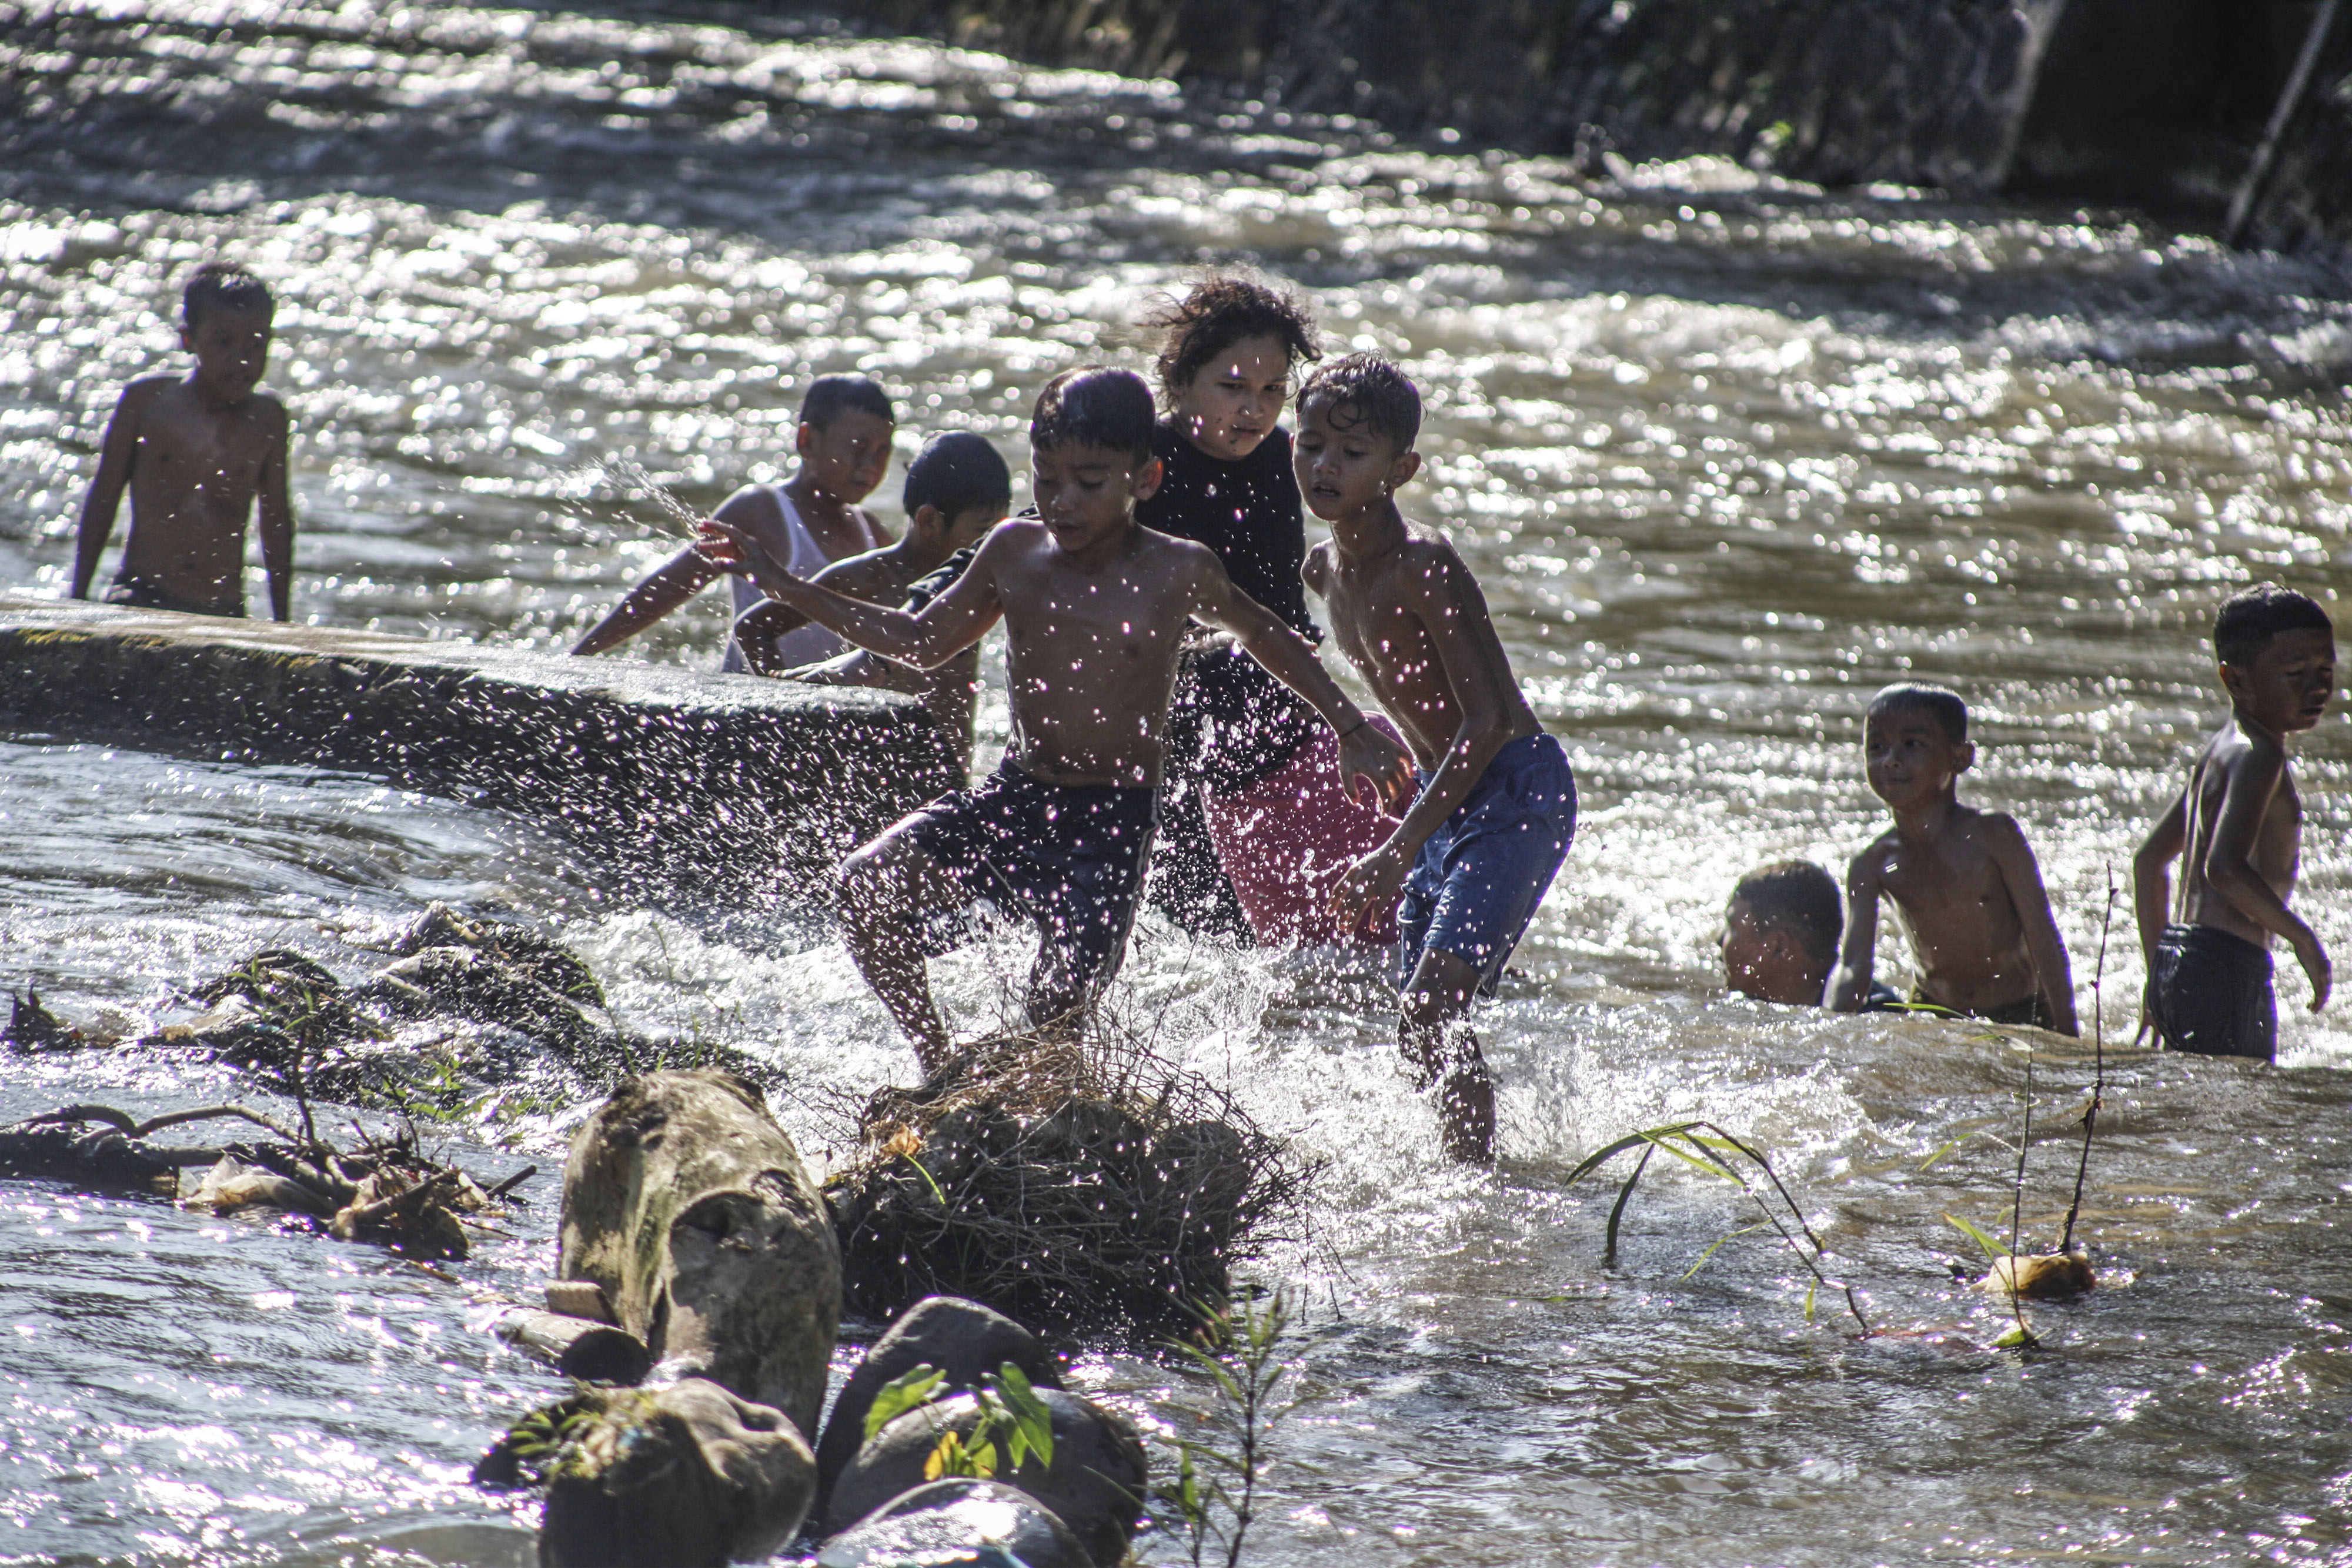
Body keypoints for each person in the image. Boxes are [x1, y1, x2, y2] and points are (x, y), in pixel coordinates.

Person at [697, 367, 1414, 1075]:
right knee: (865, 886)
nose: (1063, 502)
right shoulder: (1015, 551)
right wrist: (787, 585)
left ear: (1145, 480)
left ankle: (1038, 1109)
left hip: (1112, 823)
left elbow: (1269, 637)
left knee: (1054, 1020)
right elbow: (922, 640)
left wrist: (1352, 732)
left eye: (1090, 482)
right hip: (1016, 796)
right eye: (1047, 479)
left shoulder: (1178, 570)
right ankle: (937, 1064)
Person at [1305, 355, 1579, 1165]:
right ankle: (1475, 1166)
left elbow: (1489, 720)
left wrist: (1396, 847)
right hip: (1439, 796)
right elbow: (1300, 656)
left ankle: (1478, 1189)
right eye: (1312, 444)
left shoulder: (1425, 565)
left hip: (1515, 789)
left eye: (1352, 456)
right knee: (1416, 1023)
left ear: (1401, 470)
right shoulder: (1324, 568)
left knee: (1432, 1005)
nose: (1325, 466)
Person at [1135, 275, 1399, 949]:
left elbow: (1286, 607)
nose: (1254, 409)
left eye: (1273, 389)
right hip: (1170, 756)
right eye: (1231, 387)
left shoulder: (1286, 459)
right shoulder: (1140, 466)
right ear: (1180, 378)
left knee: (1385, 932)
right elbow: (1044, 529)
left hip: (1285, 731)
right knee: (1209, 954)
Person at [2133, 584, 2336, 1061]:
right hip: (2226, 965)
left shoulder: (2220, 750)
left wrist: (2156, 976)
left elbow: (2148, 862)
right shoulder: (2260, 755)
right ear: (2236, 680)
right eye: (2295, 673)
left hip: (2182, 958)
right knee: (2244, 1110)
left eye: (2325, 669)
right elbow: (2223, 868)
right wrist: (2302, 939)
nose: (2318, 687)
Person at [572, 375, 893, 669]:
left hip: (827, 711)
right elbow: (666, 590)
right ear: (807, 441)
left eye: (882, 452)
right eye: (858, 447)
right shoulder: (759, 510)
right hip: (749, 706)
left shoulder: (873, 535)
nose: (870, 465)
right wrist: (581, 659)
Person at [756, 431, 1011, 778]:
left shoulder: (981, 586)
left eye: (1001, 531)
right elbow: (756, 627)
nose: (995, 545)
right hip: (873, 773)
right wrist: (772, 708)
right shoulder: (866, 577)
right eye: (985, 531)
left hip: (950, 778)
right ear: (930, 521)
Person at [1828, 684, 2079, 1033]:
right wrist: (1833, 1029)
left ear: (1960, 758)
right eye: (1877, 747)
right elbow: (1855, 966)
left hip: (2019, 1012)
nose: (1891, 759)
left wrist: (2068, 1036)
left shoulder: (1994, 837)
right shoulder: (1872, 863)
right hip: (1931, 1013)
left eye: (1912, 745)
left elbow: (2045, 939)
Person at [71, 263, 295, 620]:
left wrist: (282, 621)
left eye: (256, 344)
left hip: (222, 608)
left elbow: (277, 521)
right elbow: (104, 496)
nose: (242, 359)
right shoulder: (147, 403)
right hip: (140, 594)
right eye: (223, 342)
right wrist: (78, 598)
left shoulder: (267, 419)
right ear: (188, 340)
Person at [1720, 861, 1842, 1007]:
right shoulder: (1741, 1005)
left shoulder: (1866, 1009)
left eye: (1732, 927)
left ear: (1778, 946)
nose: (1719, 939)